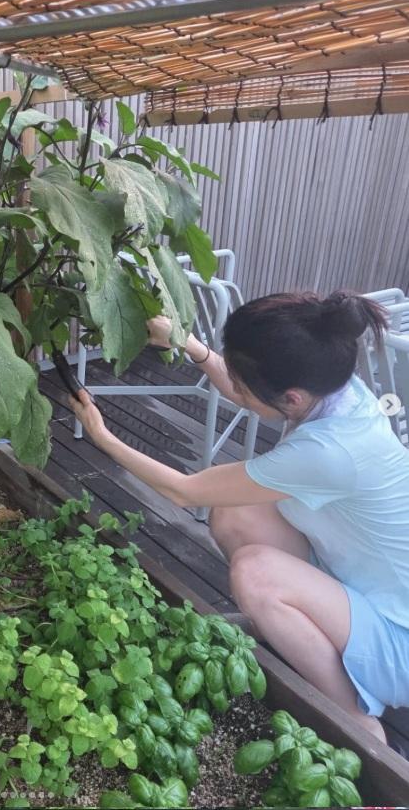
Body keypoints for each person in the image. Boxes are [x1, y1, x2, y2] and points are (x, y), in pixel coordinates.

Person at [69, 291, 409, 744]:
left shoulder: (332, 451)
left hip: (397, 638)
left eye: (245, 385)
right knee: (233, 511)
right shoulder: (331, 385)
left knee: (254, 572)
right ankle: (288, 619)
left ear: (291, 397)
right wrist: (189, 345)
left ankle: (356, 718)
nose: (238, 392)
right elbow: (245, 393)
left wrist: (102, 437)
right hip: (360, 580)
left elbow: (184, 491)